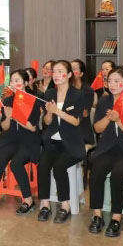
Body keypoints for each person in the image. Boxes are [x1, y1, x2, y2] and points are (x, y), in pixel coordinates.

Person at [88, 66, 123, 238]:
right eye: (110, 81)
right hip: (107, 148)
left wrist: (119, 119)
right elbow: (97, 129)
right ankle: (97, 214)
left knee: (118, 175)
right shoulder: (104, 102)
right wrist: (108, 118)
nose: (112, 84)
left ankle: (116, 217)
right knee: (96, 170)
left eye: (117, 81)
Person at [37, 60, 85, 223]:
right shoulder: (50, 93)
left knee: (59, 167)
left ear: (69, 74)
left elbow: (76, 121)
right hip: (52, 141)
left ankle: (65, 205)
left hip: (71, 143)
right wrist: (50, 113)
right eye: (54, 72)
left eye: (60, 71)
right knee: (43, 165)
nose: (56, 75)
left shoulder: (77, 95)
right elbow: (47, 122)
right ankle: (45, 204)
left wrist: (57, 111)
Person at [0, 69, 41, 214]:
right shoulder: (7, 101)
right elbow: (4, 127)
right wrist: (9, 118)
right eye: (12, 80)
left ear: (25, 83)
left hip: (28, 140)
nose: (13, 83)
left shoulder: (33, 101)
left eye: (17, 80)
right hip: (10, 139)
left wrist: (17, 116)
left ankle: (28, 200)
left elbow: (33, 128)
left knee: (16, 163)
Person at [71, 59, 96, 145]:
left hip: (81, 132)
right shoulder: (64, 89)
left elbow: (84, 113)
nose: (71, 72)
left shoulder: (88, 91)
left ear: (81, 74)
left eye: (74, 69)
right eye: (69, 69)